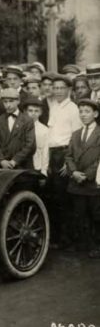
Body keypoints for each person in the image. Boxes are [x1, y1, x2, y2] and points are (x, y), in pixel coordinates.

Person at [46, 74, 82, 247]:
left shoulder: (73, 109)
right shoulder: (53, 106)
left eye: (62, 88)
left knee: (64, 198)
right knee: (52, 196)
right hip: (51, 154)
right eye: (56, 88)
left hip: (64, 154)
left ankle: (67, 239)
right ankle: (56, 237)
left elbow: (76, 138)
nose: (58, 91)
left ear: (69, 90)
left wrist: (69, 163)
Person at [65, 99, 100, 258]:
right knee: (80, 214)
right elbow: (69, 156)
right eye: (81, 111)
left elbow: (98, 160)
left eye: (87, 111)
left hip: (92, 182)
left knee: (95, 214)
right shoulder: (76, 134)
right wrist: (74, 173)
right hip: (76, 180)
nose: (83, 114)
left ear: (95, 113)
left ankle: (96, 245)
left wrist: (87, 175)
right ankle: (85, 243)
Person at [0, 88, 36, 170]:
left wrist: (14, 161)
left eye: (11, 101)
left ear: (18, 101)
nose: (8, 105)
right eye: (5, 102)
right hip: (2, 166)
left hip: (22, 166)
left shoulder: (27, 120)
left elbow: (30, 145)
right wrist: (1, 160)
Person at [23, 97, 49, 176]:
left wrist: (44, 169)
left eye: (36, 111)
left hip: (36, 165)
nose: (33, 113)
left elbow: (45, 151)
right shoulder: (20, 127)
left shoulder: (44, 129)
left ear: (40, 112)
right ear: (25, 112)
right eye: (30, 111)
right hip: (21, 164)